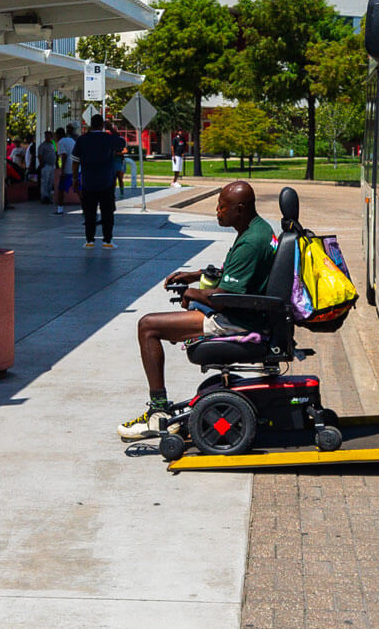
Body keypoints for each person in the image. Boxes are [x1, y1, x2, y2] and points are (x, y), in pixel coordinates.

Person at [117, 182, 276, 440]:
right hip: (247, 311)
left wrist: (192, 293)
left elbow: (226, 299)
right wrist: (196, 275)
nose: (217, 211)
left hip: (237, 319)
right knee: (165, 320)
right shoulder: (258, 229)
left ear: (240, 209)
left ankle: (158, 414)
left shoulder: (250, 242)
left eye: (222, 207)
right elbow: (237, 275)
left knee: (148, 326)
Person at [71, 115, 127, 249]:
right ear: (102, 125)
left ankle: (89, 240)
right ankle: (107, 241)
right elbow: (122, 143)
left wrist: (75, 179)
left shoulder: (82, 140)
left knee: (89, 213)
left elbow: (75, 161)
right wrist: (111, 129)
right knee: (107, 213)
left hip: (88, 182)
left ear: (91, 124)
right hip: (106, 182)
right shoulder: (108, 138)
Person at [55, 125, 78, 212]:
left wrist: (62, 170)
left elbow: (64, 156)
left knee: (61, 189)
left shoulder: (61, 142)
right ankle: (85, 208)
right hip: (76, 169)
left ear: (58, 135)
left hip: (67, 170)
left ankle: (59, 209)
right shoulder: (71, 140)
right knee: (78, 189)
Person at [37, 131, 60, 205]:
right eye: (46, 136)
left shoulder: (52, 144)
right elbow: (40, 155)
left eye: (49, 136)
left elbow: (55, 154)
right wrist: (42, 164)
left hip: (52, 165)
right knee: (45, 182)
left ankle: (49, 197)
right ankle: (44, 197)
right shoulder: (42, 145)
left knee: (51, 182)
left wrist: (56, 164)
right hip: (46, 165)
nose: (47, 137)